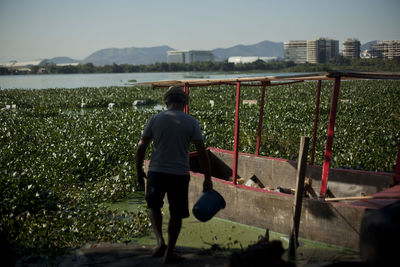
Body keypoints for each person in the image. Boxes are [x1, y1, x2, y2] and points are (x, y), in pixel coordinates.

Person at [135, 86, 212, 264]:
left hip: (156, 171)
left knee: (154, 206)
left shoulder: (155, 119)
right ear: (184, 103)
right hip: (179, 174)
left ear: (166, 102)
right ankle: (169, 252)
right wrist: (207, 178)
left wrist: (139, 170)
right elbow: (202, 153)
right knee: (176, 213)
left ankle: (160, 241)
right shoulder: (191, 122)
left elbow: (141, 148)